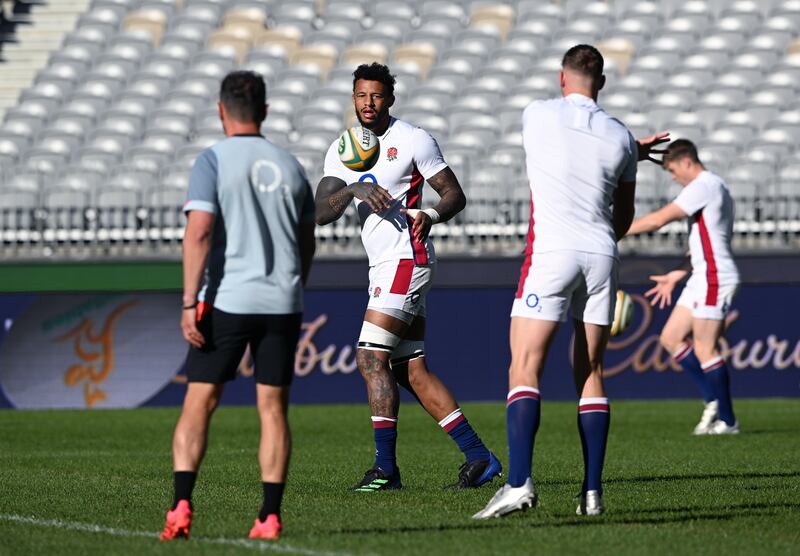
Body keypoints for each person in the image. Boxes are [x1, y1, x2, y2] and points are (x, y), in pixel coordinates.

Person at [474, 45, 668, 519]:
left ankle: (519, 482)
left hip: (552, 252)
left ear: (563, 77)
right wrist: (633, 153)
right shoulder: (622, 137)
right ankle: (592, 494)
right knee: (592, 372)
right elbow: (623, 218)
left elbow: (565, 147)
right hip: (602, 254)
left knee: (525, 365)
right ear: (600, 82)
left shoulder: (536, 114)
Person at [314, 63, 501, 491]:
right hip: (383, 265)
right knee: (410, 370)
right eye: (361, 95)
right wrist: (353, 189)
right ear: (353, 97)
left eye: (377, 96)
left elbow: (454, 193)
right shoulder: (344, 149)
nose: (368, 103)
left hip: (407, 258)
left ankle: (386, 469)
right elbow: (321, 212)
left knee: (369, 358)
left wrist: (432, 214)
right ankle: (479, 458)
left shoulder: (413, 139)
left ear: (390, 99)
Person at [160, 71, 316, 541]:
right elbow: (307, 240)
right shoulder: (290, 165)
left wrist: (189, 302)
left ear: (220, 110)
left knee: (199, 403)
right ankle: (268, 517)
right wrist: (294, 285)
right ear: (265, 111)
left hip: (226, 300)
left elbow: (200, 231)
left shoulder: (212, 160)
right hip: (281, 302)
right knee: (272, 409)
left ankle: (181, 509)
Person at [624, 139, 740, 435]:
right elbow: (705, 242)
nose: (674, 178)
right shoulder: (715, 187)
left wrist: (614, 229)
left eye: (674, 171)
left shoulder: (703, 185)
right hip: (702, 274)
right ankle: (713, 400)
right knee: (671, 338)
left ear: (686, 162)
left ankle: (727, 420)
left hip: (714, 276)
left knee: (705, 348)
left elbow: (658, 220)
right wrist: (678, 273)